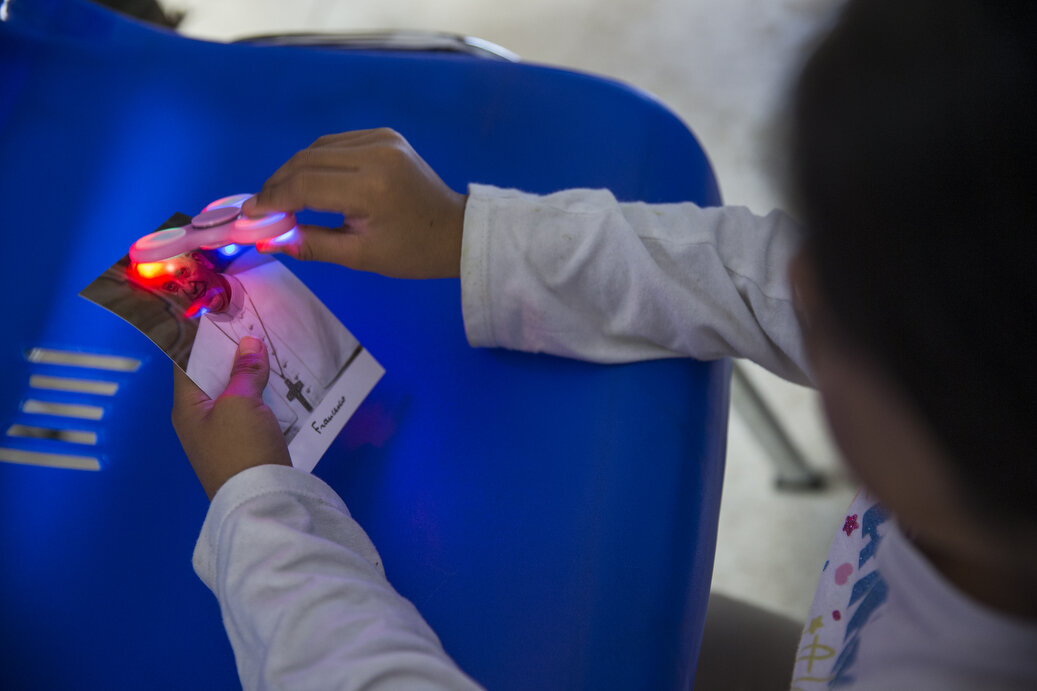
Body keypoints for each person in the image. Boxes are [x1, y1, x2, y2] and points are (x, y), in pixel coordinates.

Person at [171, 0, 1037, 688]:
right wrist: (470, 235)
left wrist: (259, 513)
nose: (800, 287)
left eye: (847, 305)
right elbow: (764, 273)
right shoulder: (989, 407)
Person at [158, 250, 361, 444]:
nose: (188, 288)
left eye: (183, 273)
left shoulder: (280, 277)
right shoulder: (199, 363)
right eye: (171, 287)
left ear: (201, 260)